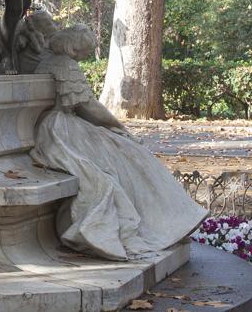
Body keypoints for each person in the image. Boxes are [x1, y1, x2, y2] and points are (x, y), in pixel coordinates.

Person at [29, 25, 206, 259]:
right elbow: (88, 107)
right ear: (73, 47)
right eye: (85, 51)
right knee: (129, 155)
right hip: (63, 130)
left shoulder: (49, 61)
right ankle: (166, 221)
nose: (86, 56)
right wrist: (117, 126)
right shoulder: (65, 66)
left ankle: (172, 218)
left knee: (126, 154)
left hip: (57, 127)